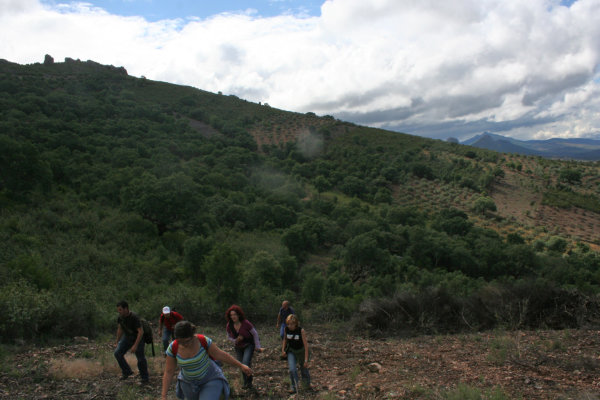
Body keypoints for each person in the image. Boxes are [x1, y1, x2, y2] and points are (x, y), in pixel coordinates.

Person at [161, 320, 252, 400]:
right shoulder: (173, 348)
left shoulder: (202, 341)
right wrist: (164, 396)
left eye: (187, 341)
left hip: (210, 378)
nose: (184, 344)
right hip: (188, 383)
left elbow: (220, 355)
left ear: (192, 336)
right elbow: (169, 371)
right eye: (180, 342)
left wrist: (241, 365)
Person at [225, 305, 264, 390]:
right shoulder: (229, 325)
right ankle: (245, 382)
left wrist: (257, 346)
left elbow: (255, 333)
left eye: (235, 314)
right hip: (238, 346)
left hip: (248, 345)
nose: (233, 317)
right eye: (231, 315)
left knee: (245, 362)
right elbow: (228, 337)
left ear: (238, 315)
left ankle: (249, 382)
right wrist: (235, 340)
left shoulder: (246, 323)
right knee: (241, 364)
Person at [114, 300, 149, 383]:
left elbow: (140, 332)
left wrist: (135, 345)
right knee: (117, 353)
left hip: (138, 338)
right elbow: (120, 329)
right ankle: (127, 372)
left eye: (120, 310)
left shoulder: (134, 317)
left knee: (140, 359)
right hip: (127, 337)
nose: (119, 312)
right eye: (118, 310)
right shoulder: (120, 317)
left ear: (126, 308)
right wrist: (117, 341)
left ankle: (145, 378)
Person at [281, 314, 311, 393]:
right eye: (288, 324)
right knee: (292, 369)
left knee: (304, 368)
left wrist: (306, 360)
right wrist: (283, 350)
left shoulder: (301, 331)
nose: (290, 326)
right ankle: (294, 387)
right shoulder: (286, 329)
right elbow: (285, 340)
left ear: (295, 324)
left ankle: (306, 385)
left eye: (292, 324)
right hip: (291, 351)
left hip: (301, 351)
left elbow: (306, 346)